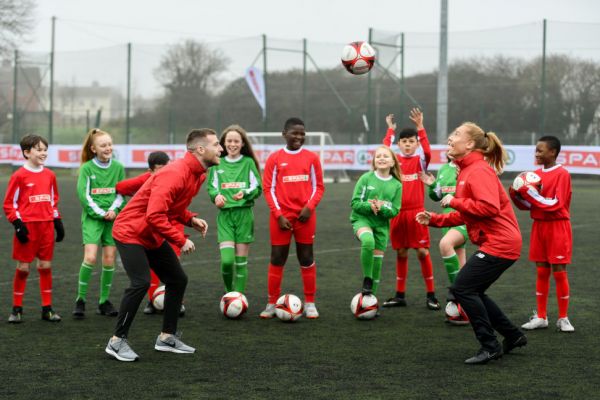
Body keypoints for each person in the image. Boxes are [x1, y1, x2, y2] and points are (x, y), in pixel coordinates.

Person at [105, 128, 222, 362]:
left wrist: (189, 219)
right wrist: (181, 239)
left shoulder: (199, 174)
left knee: (178, 280)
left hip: (151, 234)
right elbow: (155, 215)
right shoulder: (175, 173)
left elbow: (173, 207)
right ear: (201, 149)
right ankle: (117, 342)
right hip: (130, 232)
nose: (220, 149)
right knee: (141, 282)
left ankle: (167, 338)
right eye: (216, 144)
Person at [416, 122, 527, 365]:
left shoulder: (477, 171)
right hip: (497, 242)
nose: (449, 138)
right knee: (472, 289)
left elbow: (488, 208)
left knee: (462, 289)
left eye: (455, 134)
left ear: (469, 144)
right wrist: (434, 219)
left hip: (501, 243)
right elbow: (470, 214)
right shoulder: (466, 171)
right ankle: (513, 335)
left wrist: (454, 202)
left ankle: (490, 346)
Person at [260, 117, 325, 319]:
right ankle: (271, 302)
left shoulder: (312, 158)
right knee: (277, 258)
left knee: (306, 258)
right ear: (284, 134)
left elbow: (319, 187)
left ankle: (310, 302)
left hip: (305, 216)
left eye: (302, 133)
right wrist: (278, 215)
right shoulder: (275, 158)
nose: (299, 137)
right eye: (295, 133)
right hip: (281, 218)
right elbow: (268, 189)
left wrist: (309, 208)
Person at [510, 136, 574, 332]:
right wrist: (516, 195)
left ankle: (563, 318)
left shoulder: (562, 174)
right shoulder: (534, 175)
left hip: (557, 226)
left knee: (559, 271)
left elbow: (556, 204)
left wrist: (532, 194)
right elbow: (527, 206)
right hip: (539, 226)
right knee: (541, 270)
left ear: (553, 152)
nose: (536, 154)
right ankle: (541, 316)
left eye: (540, 150)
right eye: (535, 150)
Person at [381, 108, 440, 310]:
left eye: (411, 141)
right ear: (399, 145)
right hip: (397, 213)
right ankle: (400, 295)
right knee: (402, 253)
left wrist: (420, 127)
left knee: (422, 252)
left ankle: (431, 295)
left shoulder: (420, 160)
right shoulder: (393, 162)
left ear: (416, 144)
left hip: (417, 213)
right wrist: (390, 130)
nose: (407, 144)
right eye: (404, 142)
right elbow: (384, 150)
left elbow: (428, 151)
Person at [115, 151, 186, 316]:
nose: (162, 173)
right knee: (150, 266)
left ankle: (178, 302)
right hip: (152, 226)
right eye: (158, 170)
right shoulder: (145, 179)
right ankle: (152, 300)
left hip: (172, 225)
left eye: (165, 168)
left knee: (174, 266)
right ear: (150, 171)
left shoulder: (175, 179)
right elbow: (121, 187)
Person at [3, 134, 64, 323]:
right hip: (28, 228)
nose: (43, 153)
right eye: (39, 149)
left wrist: (57, 222)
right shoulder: (19, 176)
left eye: (45, 149)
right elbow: (9, 204)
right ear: (27, 152)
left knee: (45, 266)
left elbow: (53, 200)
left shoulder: (50, 175)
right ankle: (16, 309)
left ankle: (47, 309)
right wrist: (18, 224)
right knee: (23, 268)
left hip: (46, 227)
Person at [73, 128, 125, 319]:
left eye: (110, 144)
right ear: (93, 149)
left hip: (112, 218)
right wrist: (102, 213)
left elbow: (121, 192)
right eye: (103, 145)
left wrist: (113, 210)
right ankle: (81, 300)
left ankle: (104, 301)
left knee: (109, 259)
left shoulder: (118, 167)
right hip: (93, 219)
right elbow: (83, 195)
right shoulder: (87, 169)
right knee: (91, 258)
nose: (108, 148)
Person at [207, 124, 262, 294]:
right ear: (223, 143)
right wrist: (216, 196)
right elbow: (211, 187)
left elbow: (258, 187)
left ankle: (237, 296)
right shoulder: (217, 163)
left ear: (242, 143)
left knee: (240, 262)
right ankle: (229, 292)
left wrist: (245, 193)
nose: (232, 144)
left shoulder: (248, 162)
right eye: (229, 141)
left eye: (236, 141)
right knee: (227, 261)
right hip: (225, 217)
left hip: (244, 216)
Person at [421, 158, 470, 324]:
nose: (450, 146)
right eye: (448, 143)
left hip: (464, 218)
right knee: (461, 263)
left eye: (453, 142)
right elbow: (437, 197)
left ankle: (456, 292)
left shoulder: (468, 168)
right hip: (447, 219)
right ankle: (467, 305)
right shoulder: (443, 169)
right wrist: (432, 185)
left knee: (445, 244)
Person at [350, 146, 402, 297]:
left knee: (377, 263)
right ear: (374, 161)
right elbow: (354, 203)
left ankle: (372, 300)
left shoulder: (397, 185)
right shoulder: (366, 178)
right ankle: (367, 279)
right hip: (362, 219)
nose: (381, 158)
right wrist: (369, 206)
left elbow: (395, 211)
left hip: (381, 225)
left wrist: (382, 208)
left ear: (392, 162)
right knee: (368, 241)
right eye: (378, 156)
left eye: (386, 156)